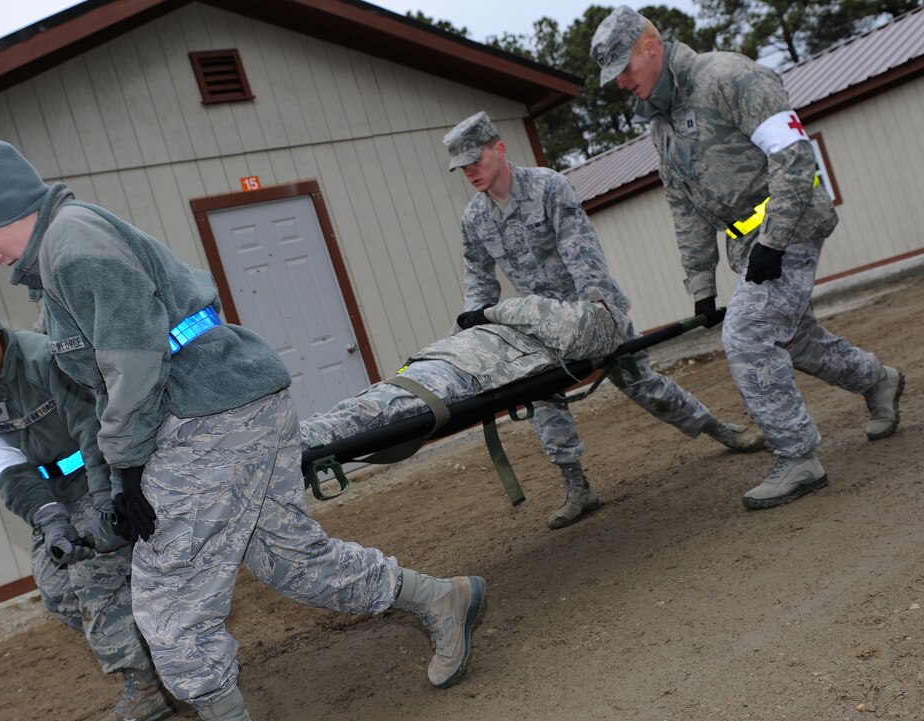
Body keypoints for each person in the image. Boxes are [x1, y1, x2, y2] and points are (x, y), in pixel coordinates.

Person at [0, 140, 486, 721]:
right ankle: (440, 597)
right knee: (292, 559)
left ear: (12, 209)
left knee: (165, 601)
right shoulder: (61, 254)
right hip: (234, 402)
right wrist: (116, 470)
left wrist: (132, 467)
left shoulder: (71, 243)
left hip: (208, 414)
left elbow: (134, 362)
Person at [591, 6, 905, 509]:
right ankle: (878, 380)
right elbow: (683, 205)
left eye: (624, 70)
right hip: (748, 247)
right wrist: (702, 288)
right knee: (795, 340)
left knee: (748, 333)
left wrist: (775, 242)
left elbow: (795, 160)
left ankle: (799, 456)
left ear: (650, 47)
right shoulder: (661, 123)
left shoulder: (730, 76)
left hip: (792, 224)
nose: (622, 83)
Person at [444, 111, 764, 529]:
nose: (470, 172)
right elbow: (481, 283)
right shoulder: (475, 220)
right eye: (462, 167)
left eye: (476, 161)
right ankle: (577, 486)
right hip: (538, 325)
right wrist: (470, 329)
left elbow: (584, 255)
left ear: (499, 149)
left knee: (644, 385)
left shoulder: (548, 187)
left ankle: (717, 428)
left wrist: (596, 313)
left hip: (592, 314)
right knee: (542, 398)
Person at [0, 289, 172, 721]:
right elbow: (7, 469)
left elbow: (90, 427)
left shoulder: (43, 358)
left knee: (91, 576)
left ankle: (146, 688)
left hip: (98, 474)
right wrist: (49, 520)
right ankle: (160, 651)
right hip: (51, 493)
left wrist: (102, 499)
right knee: (57, 592)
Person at [301, 294, 628, 448]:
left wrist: (482, 314)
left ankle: (299, 438)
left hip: (472, 365)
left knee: (380, 406)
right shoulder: (572, 323)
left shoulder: (588, 319)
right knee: (380, 402)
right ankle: (300, 436)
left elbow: (527, 312)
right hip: (462, 357)